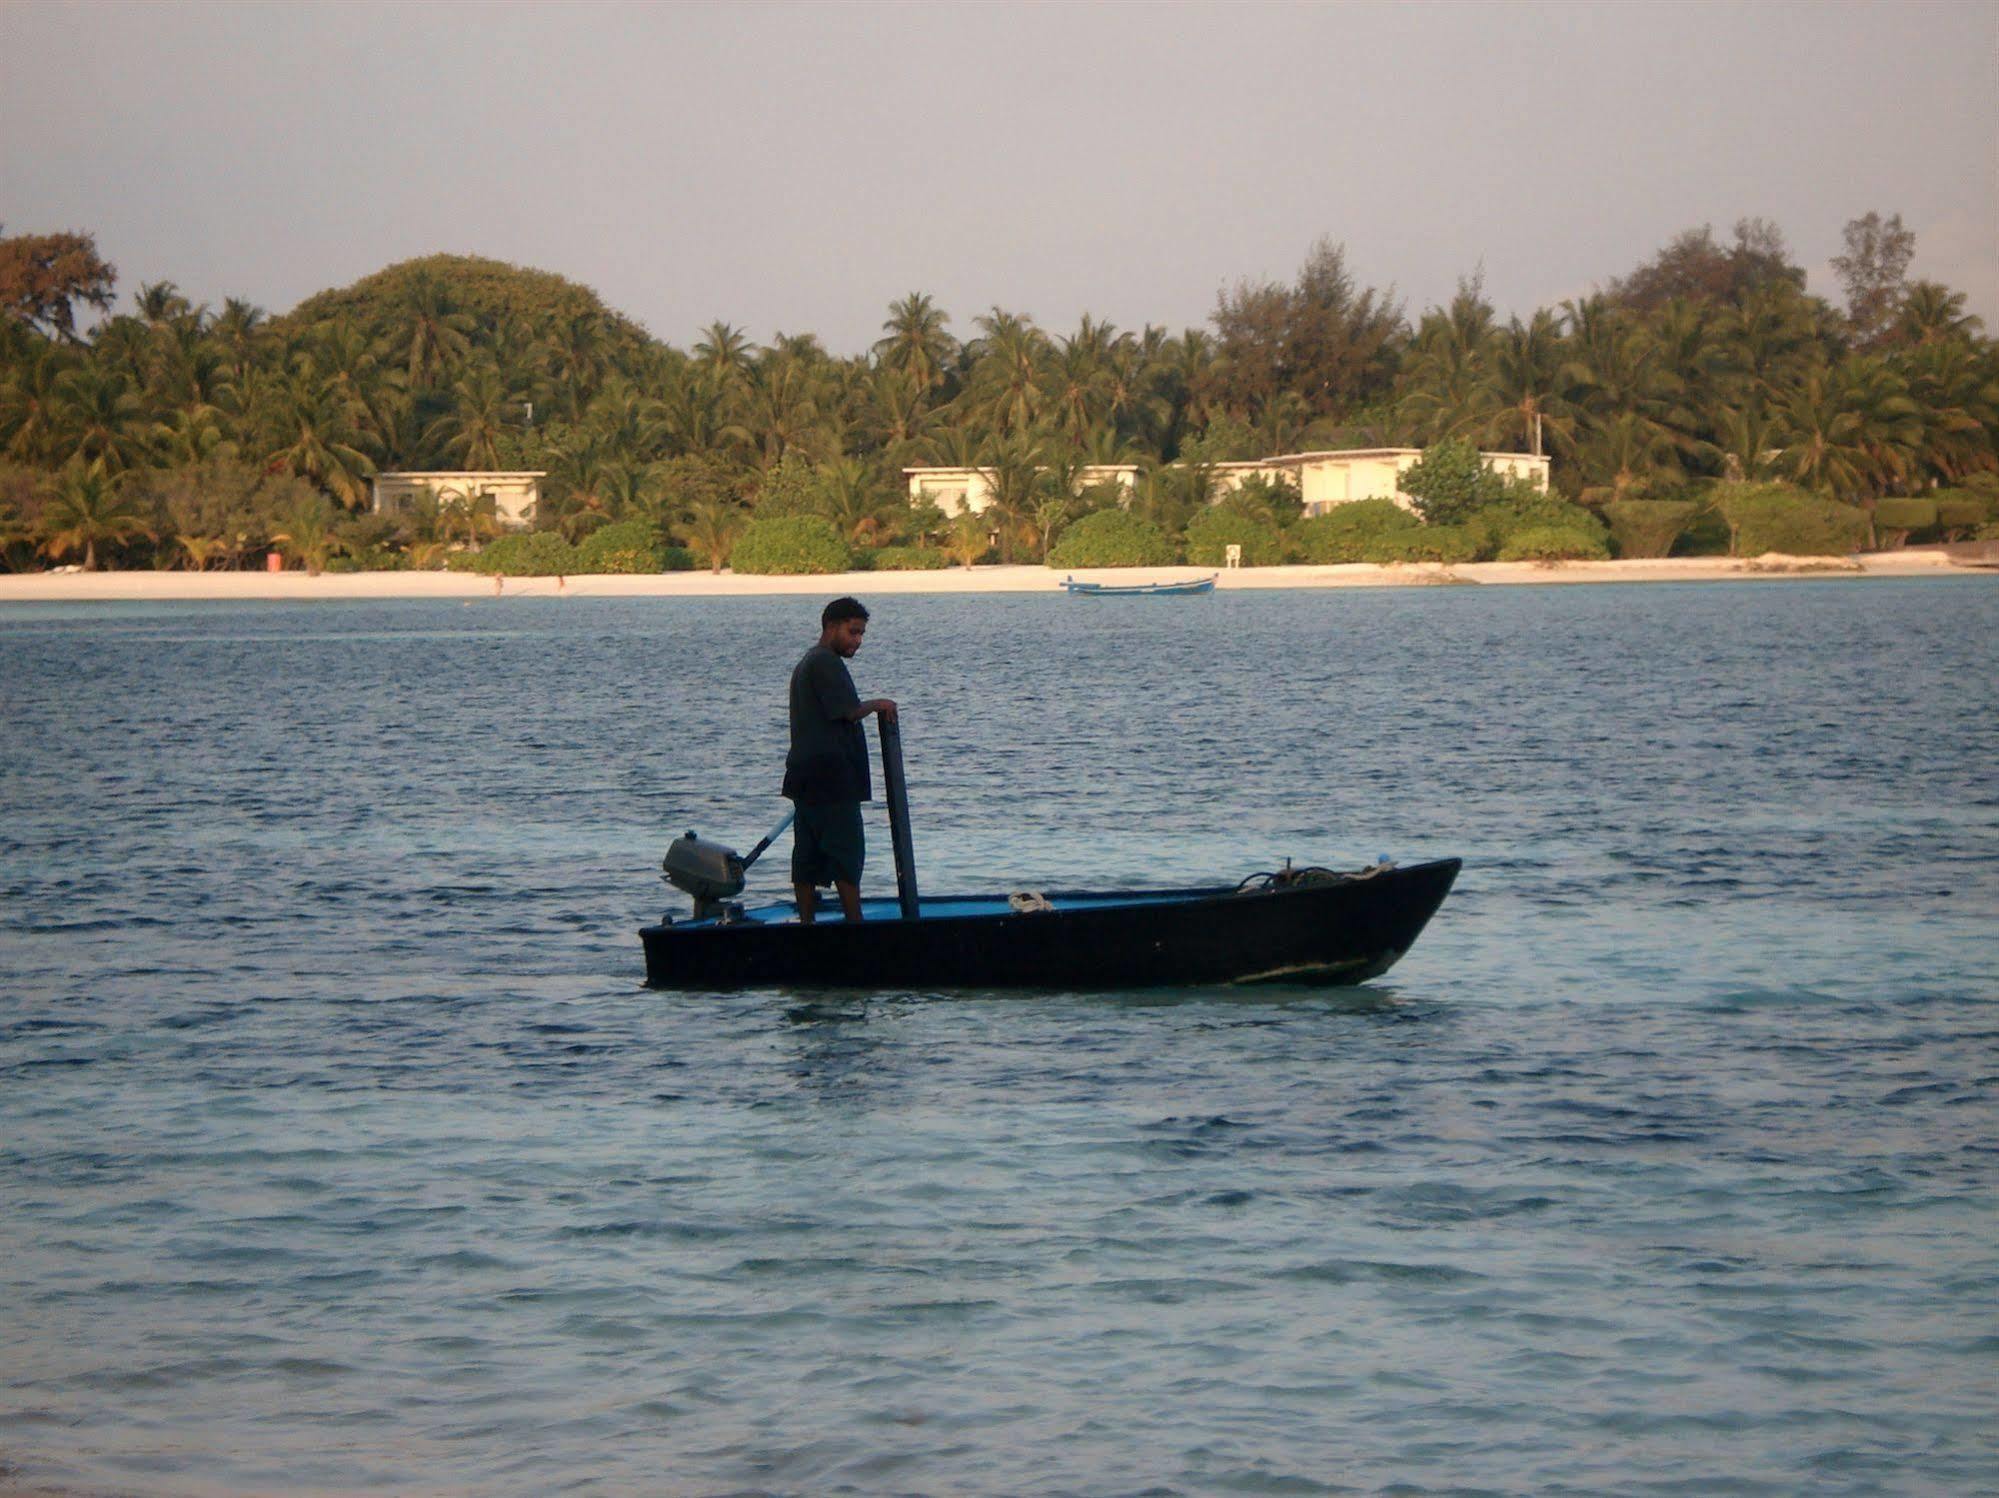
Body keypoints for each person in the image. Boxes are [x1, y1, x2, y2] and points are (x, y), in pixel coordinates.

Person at [783, 597, 896, 923]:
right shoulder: (825, 663)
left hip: (806, 777)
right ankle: (854, 926)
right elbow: (848, 712)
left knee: (808, 854)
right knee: (845, 854)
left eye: (861, 634)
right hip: (831, 779)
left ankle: (808, 924)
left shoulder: (809, 661)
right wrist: (879, 704)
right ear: (832, 627)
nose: (857, 641)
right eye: (853, 632)